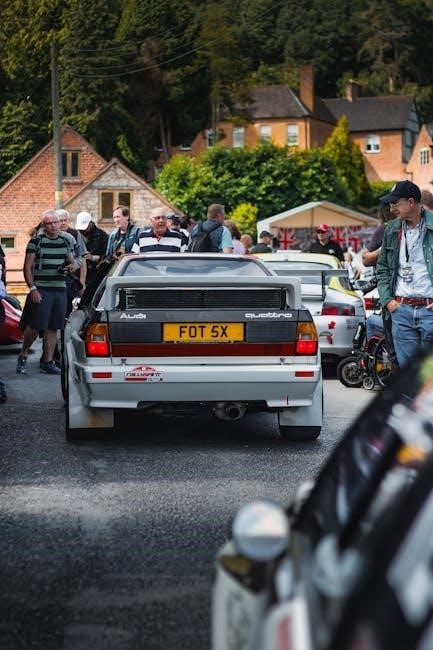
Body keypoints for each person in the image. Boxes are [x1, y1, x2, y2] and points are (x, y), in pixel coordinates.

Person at [376, 180, 433, 368]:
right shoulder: (392, 229)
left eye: (395, 203)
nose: (391, 208)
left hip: (430, 311)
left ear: (410, 202)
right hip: (401, 311)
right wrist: (387, 300)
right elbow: (382, 268)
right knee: (408, 375)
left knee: (428, 375)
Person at [16, 210, 77, 375]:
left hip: (60, 288)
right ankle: (23, 353)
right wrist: (33, 288)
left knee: (54, 327)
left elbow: (73, 263)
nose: (53, 226)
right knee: (36, 326)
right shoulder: (36, 241)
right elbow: (27, 267)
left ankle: (48, 362)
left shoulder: (65, 241)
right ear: (44, 225)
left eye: (55, 222)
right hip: (42, 288)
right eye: (49, 223)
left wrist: (69, 268)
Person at [362, 203, 398, 369]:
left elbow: (366, 259)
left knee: (372, 323)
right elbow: (366, 259)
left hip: (397, 299)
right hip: (393, 298)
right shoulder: (386, 229)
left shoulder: (385, 229)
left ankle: (376, 366)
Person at [56, 208, 87, 314]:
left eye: (65, 220)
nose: (63, 223)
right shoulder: (52, 234)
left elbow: (82, 258)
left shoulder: (75, 234)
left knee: (71, 309)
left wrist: (82, 282)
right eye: (61, 220)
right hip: (55, 280)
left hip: (72, 280)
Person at [75, 211, 109, 286]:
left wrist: (93, 257)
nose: (83, 230)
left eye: (85, 228)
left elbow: (107, 257)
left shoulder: (102, 237)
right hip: (79, 274)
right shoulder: (76, 235)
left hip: (96, 274)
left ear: (91, 224)